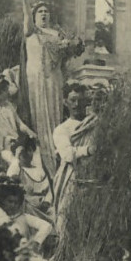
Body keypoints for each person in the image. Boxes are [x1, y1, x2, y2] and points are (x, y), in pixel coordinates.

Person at [21, 0, 85, 175]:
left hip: (54, 78)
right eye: (40, 12)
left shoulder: (57, 35)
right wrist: (25, 1)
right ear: (34, 16)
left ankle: (56, 155)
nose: (44, 14)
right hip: (36, 77)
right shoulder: (31, 31)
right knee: (39, 114)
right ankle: (41, 157)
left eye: (46, 12)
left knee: (54, 113)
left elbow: (62, 60)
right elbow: (26, 21)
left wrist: (69, 48)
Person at [51, 83, 97, 230]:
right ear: (65, 102)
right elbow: (67, 154)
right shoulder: (62, 129)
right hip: (71, 178)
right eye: (73, 100)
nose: (77, 105)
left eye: (81, 101)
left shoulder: (95, 124)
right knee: (67, 223)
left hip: (93, 177)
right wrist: (89, 150)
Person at [0, 76, 38, 167]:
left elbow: (20, 124)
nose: (8, 93)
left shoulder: (9, 106)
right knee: (15, 162)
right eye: (6, 91)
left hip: (15, 142)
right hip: (3, 146)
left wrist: (31, 133)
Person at [5, 135, 54, 219]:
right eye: (22, 152)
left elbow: (49, 190)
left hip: (45, 206)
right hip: (27, 208)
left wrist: (47, 201)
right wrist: (17, 161)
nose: (26, 154)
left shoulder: (39, 170)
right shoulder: (16, 169)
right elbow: (11, 191)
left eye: (29, 150)